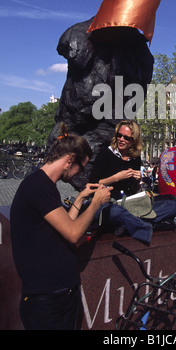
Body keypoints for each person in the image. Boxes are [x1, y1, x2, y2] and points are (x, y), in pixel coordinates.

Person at [10, 123, 112, 330]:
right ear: (69, 160)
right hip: (48, 299)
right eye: (80, 167)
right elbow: (74, 234)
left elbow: (65, 225)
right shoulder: (38, 186)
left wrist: (82, 198)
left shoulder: (44, 184)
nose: (79, 173)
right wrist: (95, 203)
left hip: (54, 295)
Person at [89, 120, 176, 242]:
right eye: (119, 135)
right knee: (115, 212)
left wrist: (138, 180)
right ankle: (148, 227)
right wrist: (116, 178)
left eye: (126, 138)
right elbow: (91, 185)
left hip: (128, 205)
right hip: (108, 204)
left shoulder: (135, 159)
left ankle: (126, 225)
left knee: (172, 204)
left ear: (134, 140)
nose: (121, 139)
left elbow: (133, 191)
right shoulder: (105, 154)